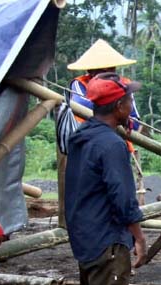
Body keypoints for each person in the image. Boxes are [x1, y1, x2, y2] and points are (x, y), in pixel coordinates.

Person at [65, 73, 147, 285]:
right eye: (128, 101)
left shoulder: (81, 138)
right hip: (106, 238)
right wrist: (138, 237)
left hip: (85, 234)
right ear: (119, 107)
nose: (131, 105)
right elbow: (123, 198)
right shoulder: (112, 145)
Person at [67, 39, 145, 203]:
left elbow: (135, 120)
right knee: (92, 191)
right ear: (90, 71)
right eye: (101, 71)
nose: (108, 74)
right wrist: (111, 106)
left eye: (111, 69)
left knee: (120, 190)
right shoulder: (80, 84)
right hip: (88, 143)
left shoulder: (124, 85)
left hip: (117, 141)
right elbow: (81, 107)